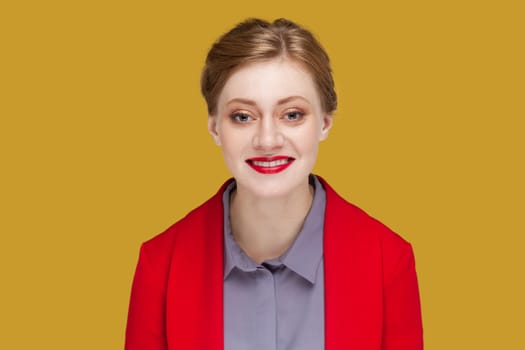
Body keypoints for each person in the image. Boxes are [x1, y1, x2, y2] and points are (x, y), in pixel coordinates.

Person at [125, 18, 423, 350]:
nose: (268, 140)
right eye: (243, 116)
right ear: (214, 128)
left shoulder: (389, 261)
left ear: (324, 123)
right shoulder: (160, 266)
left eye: (292, 114)